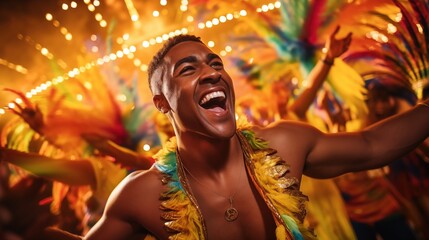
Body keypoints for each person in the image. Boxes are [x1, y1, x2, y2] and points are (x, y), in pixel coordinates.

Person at [43, 33, 429, 240]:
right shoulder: (141, 195)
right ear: (162, 103)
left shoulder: (283, 145)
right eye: (188, 69)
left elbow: (373, 146)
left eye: (215, 64)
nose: (212, 72)